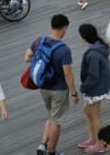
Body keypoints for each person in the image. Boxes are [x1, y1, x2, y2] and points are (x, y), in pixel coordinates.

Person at [26, 14, 78, 155]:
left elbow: (27, 57)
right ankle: (52, 151)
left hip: (43, 87)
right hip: (59, 90)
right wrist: (73, 93)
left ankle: (42, 145)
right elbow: (68, 74)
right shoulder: (64, 50)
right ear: (64, 29)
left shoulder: (39, 41)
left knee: (51, 116)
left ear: (51, 26)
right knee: (56, 121)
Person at [77, 24, 110, 153]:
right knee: (87, 110)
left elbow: (93, 76)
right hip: (100, 86)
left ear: (84, 37)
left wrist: (83, 87)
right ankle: (93, 139)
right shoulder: (99, 47)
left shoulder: (93, 54)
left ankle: (100, 144)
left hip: (96, 88)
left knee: (94, 114)